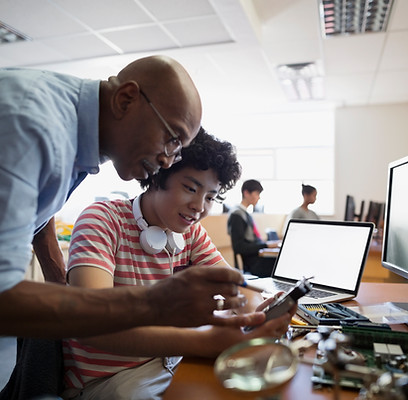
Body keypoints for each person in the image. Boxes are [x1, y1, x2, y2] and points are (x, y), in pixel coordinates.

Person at [0, 55, 264, 340]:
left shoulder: (73, 140)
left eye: (178, 150)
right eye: (172, 139)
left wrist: (56, 276)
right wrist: (155, 304)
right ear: (125, 100)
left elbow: (39, 204)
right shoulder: (32, 128)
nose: (167, 161)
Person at [61, 129, 295, 400]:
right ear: (158, 175)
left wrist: (259, 312)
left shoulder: (190, 232)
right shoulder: (101, 220)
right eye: (190, 188)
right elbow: (92, 326)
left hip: (172, 361)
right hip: (110, 380)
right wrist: (204, 343)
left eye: (210, 197)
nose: (199, 206)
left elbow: (235, 287)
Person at [227, 180, 281, 277]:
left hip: (258, 258)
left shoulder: (246, 214)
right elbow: (238, 247)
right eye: (257, 193)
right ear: (246, 193)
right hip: (253, 264)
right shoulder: (237, 215)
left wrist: (267, 245)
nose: (259, 197)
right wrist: (266, 245)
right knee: (280, 264)